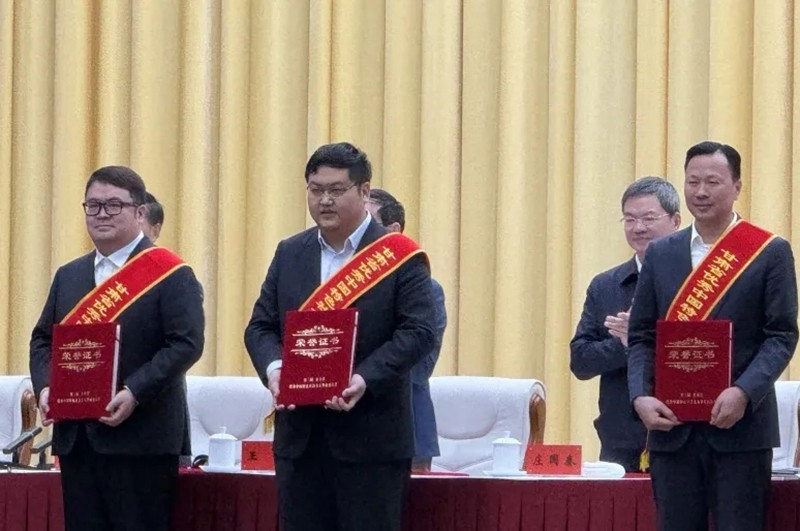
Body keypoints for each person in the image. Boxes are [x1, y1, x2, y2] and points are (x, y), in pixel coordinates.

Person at [244, 142, 436, 531]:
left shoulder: (399, 256)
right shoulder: (290, 252)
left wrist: (364, 378)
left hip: (372, 440)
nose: (325, 200)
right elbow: (260, 327)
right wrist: (276, 369)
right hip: (300, 441)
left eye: (336, 190)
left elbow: (418, 332)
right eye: (316, 190)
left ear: (364, 191)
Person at [628, 141, 798, 530]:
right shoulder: (661, 253)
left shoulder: (768, 252)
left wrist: (744, 392)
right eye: (693, 182)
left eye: (713, 182)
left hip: (741, 431)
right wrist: (640, 396)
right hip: (671, 430)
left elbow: (781, 336)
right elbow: (641, 337)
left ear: (737, 186)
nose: (701, 192)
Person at [29, 166, 205, 531]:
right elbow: (43, 340)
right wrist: (47, 387)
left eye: (113, 205)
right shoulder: (69, 275)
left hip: (141, 438)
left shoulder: (170, 273)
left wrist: (134, 391)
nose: (102, 215)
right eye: (93, 206)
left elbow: (186, 343)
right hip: (78, 440)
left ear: (140, 212)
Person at [570, 177, 681, 472]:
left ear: (675, 221)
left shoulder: (696, 284)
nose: (638, 228)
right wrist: (624, 344)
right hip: (621, 437)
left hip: (685, 431)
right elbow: (580, 361)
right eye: (629, 219)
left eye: (648, 218)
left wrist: (646, 338)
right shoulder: (606, 285)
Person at [366, 188, 446, 471]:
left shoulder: (425, 289)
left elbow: (420, 366)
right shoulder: (337, 286)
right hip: (344, 430)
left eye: (368, 224)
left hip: (407, 427)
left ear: (393, 231)